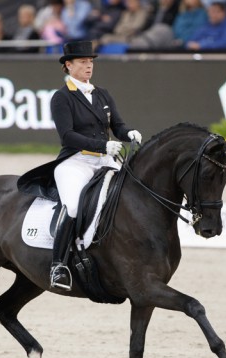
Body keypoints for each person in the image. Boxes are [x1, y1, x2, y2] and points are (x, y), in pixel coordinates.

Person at [17, 41, 142, 290]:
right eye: (83, 62)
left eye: (91, 62)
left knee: (130, 195)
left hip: (105, 160)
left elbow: (117, 126)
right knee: (73, 205)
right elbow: (68, 136)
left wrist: (129, 134)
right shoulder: (62, 98)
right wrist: (102, 147)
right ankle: (58, 265)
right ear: (68, 65)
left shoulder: (102, 94)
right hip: (76, 162)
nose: (88, 66)